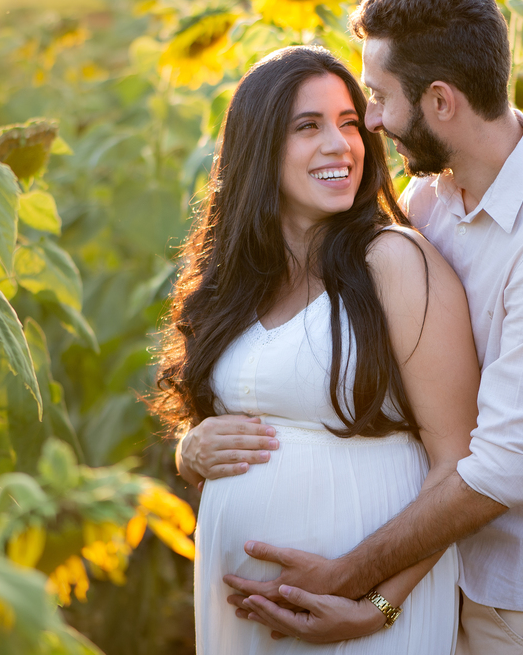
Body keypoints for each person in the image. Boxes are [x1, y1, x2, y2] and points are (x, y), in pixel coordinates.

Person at [185, 0, 523, 655]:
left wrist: (361, 589)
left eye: (376, 98)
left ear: (442, 102)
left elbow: (500, 467)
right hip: (424, 565)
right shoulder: (432, 199)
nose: (368, 123)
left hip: (512, 596)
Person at [152, 45, 482, 653]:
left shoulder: (394, 262)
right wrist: (190, 451)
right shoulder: (234, 283)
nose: (341, 144)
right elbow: (228, 436)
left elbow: (460, 465)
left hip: (365, 618)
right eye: (309, 127)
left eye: (350, 123)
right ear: (259, 147)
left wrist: (377, 605)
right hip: (244, 620)